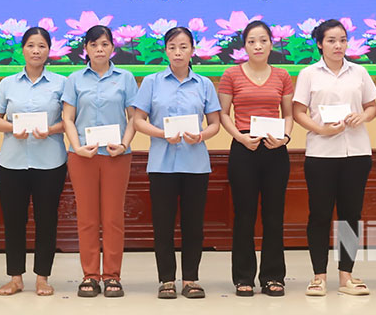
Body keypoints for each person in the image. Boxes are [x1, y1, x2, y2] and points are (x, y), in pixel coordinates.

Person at [133, 26, 221, 300]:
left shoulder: (204, 84)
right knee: (163, 225)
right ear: (166, 51)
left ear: (193, 50)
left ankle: (191, 279)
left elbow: (215, 123)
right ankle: (167, 280)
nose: (178, 52)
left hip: (195, 164)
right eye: (172, 47)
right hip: (162, 164)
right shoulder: (151, 82)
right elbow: (138, 120)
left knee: (193, 225)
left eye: (183, 47)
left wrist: (202, 135)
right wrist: (162, 134)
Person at [292, 19, 376, 297]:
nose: (338, 45)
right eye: (331, 40)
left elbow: (372, 107)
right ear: (320, 44)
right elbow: (298, 112)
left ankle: (346, 276)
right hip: (321, 153)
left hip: (357, 152)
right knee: (319, 215)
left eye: (342, 40)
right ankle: (318, 276)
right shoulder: (309, 74)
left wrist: (362, 116)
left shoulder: (359, 72)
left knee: (350, 215)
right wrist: (321, 129)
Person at [0, 27, 67, 296]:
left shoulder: (61, 83)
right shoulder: (8, 83)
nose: (36, 51)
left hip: (50, 162)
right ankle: (15, 278)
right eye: (31, 45)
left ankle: (42, 277)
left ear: (49, 50)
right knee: (13, 221)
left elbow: (70, 121)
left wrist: (51, 129)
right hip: (12, 162)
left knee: (47, 220)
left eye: (42, 46)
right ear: (22, 49)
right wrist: (12, 128)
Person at [217, 20, 294, 297]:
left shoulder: (282, 75)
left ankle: (273, 276)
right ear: (244, 46)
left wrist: (285, 138)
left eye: (263, 40)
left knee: (274, 215)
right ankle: (243, 277)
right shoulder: (231, 74)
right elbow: (223, 113)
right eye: (251, 41)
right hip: (244, 149)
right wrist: (240, 137)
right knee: (244, 216)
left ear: (271, 43)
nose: (258, 46)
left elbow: (288, 114)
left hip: (275, 149)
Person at [61, 24, 137, 298]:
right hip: (83, 156)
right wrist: (77, 147)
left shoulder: (125, 78)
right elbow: (68, 118)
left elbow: (134, 118)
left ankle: (112, 276)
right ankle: (90, 275)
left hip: (116, 156)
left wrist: (124, 144)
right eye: (94, 45)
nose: (99, 49)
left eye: (104, 44)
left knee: (113, 218)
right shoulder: (74, 79)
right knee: (87, 218)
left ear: (113, 48)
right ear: (86, 49)